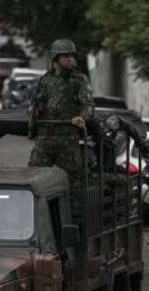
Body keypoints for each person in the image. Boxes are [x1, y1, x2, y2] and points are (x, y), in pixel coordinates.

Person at [28, 38, 94, 190]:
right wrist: (34, 109)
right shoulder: (45, 80)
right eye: (65, 56)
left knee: (74, 181)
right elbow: (38, 102)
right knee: (34, 177)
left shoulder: (79, 80)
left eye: (71, 55)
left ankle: (75, 213)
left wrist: (81, 117)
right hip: (45, 136)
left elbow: (88, 104)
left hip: (67, 137)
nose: (70, 59)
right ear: (56, 58)